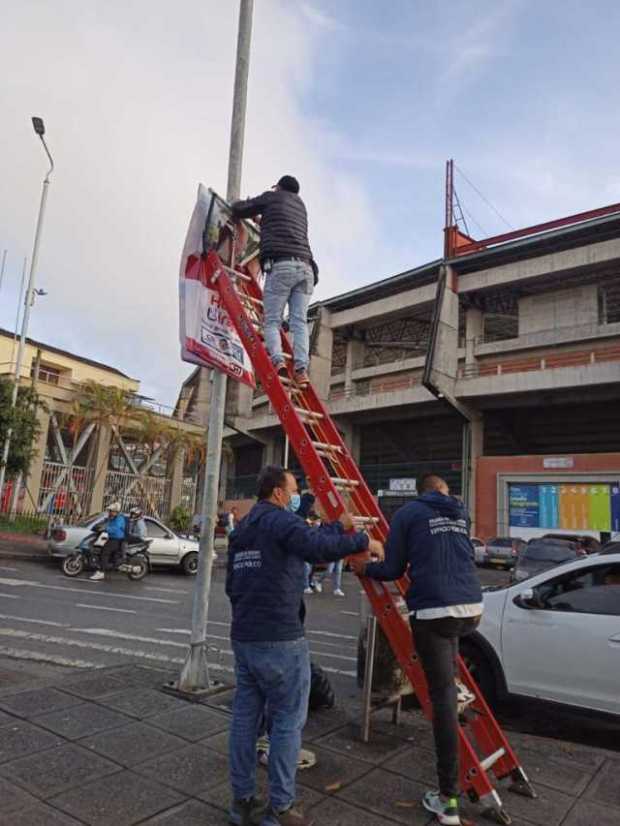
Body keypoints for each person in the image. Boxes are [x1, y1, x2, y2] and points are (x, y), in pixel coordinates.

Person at [226, 464, 383, 826]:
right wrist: (362, 541)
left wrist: (336, 525)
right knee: (286, 722)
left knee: (245, 722)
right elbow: (314, 547)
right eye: (294, 489)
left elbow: (234, 584)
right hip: (280, 638)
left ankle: (242, 803)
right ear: (279, 493)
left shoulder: (245, 527)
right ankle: (280, 808)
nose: (297, 495)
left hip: (245, 636)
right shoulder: (280, 520)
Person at [350, 473, 482, 826]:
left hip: (435, 610)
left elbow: (393, 568)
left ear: (421, 492)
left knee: (441, 703)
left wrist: (366, 567)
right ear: (444, 492)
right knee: (448, 667)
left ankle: (448, 800)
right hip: (471, 608)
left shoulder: (409, 513)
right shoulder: (460, 512)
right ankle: (457, 688)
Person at [231, 176, 317, 388]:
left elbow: (241, 209)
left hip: (282, 265)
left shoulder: (272, 197)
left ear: (278, 187)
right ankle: (301, 369)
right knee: (299, 322)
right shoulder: (300, 207)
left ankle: (277, 360)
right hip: (306, 269)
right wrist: (261, 221)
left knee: (271, 320)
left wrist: (238, 204)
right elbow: (280, 227)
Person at [89, 502, 127, 581]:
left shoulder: (120, 518)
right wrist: (98, 526)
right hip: (111, 538)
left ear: (116, 511)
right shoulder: (111, 518)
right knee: (101, 549)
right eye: (110, 511)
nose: (110, 512)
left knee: (105, 552)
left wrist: (106, 529)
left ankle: (101, 572)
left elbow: (115, 528)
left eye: (111, 511)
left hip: (117, 539)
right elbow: (105, 523)